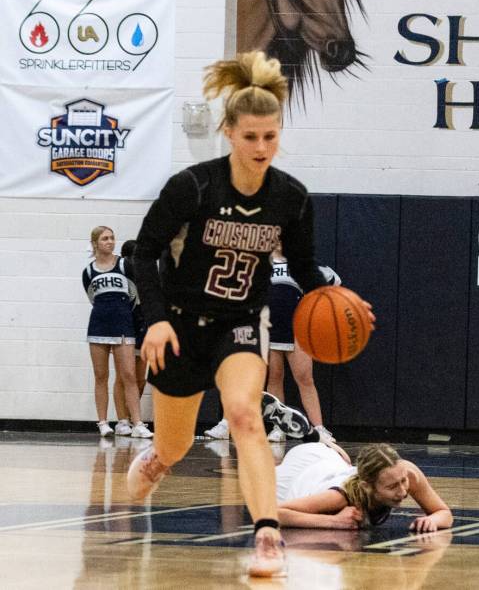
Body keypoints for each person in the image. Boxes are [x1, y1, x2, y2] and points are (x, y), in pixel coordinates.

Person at [126, 51, 374, 578]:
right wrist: (153, 319)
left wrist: (340, 297)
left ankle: (266, 537)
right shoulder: (193, 187)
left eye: (271, 136)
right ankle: (160, 459)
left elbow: (304, 268)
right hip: (178, 324)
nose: (262, 147)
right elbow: (140, 252)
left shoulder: (291, 198)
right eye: (251, 137)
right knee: (177, 440)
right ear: (229, 133)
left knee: (244, 414)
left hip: (240, 321)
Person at [203, 251, 340, 443]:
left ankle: (319, 428)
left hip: (296, 329)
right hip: (267, 328)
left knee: (304, 377)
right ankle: (278, 427)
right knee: (274, 377)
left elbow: (333, 282)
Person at [275, 441, 452, 532]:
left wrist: (432, 520)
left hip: (330, 463)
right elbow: (273, 513)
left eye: (403, 481)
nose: (403, 491)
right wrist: (333, 522)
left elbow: (444, 513)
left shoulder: (406, 472)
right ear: (368, 486)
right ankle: (312, 439)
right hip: (295, 477)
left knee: (340, 461)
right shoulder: (340, 497)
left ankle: (323, 442)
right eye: (392, 487)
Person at [82, 227, 153, 439]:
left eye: (112, 238)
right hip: (98, 326)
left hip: (124, 325)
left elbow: (136, 293)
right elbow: (93, 298)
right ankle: (103, 423)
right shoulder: (88, 272)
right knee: (101, 376)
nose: (110, 242)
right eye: (105, 238)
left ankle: (137, 423)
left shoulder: (125, 264)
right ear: (95, 243)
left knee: (129, 375)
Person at [111, 240, 149, 436]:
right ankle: (122, 420)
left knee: (140, 378)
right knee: (124, 376)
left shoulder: (149, 275)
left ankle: (133, 418)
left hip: (144, 325)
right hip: (126, 324)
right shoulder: (121, 271)